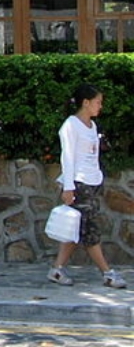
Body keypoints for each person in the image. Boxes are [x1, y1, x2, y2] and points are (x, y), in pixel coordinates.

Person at [49, 83, 127, 287]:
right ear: (86, 103)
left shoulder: (92, 126)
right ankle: (107, 273)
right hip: (78, 183)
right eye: (98, 102)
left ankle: (57, 270)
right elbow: (67, 157)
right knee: (90, 230)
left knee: (75, 228)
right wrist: (68, 187)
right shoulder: (70, 125)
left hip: (92, 182)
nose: (100, 106)